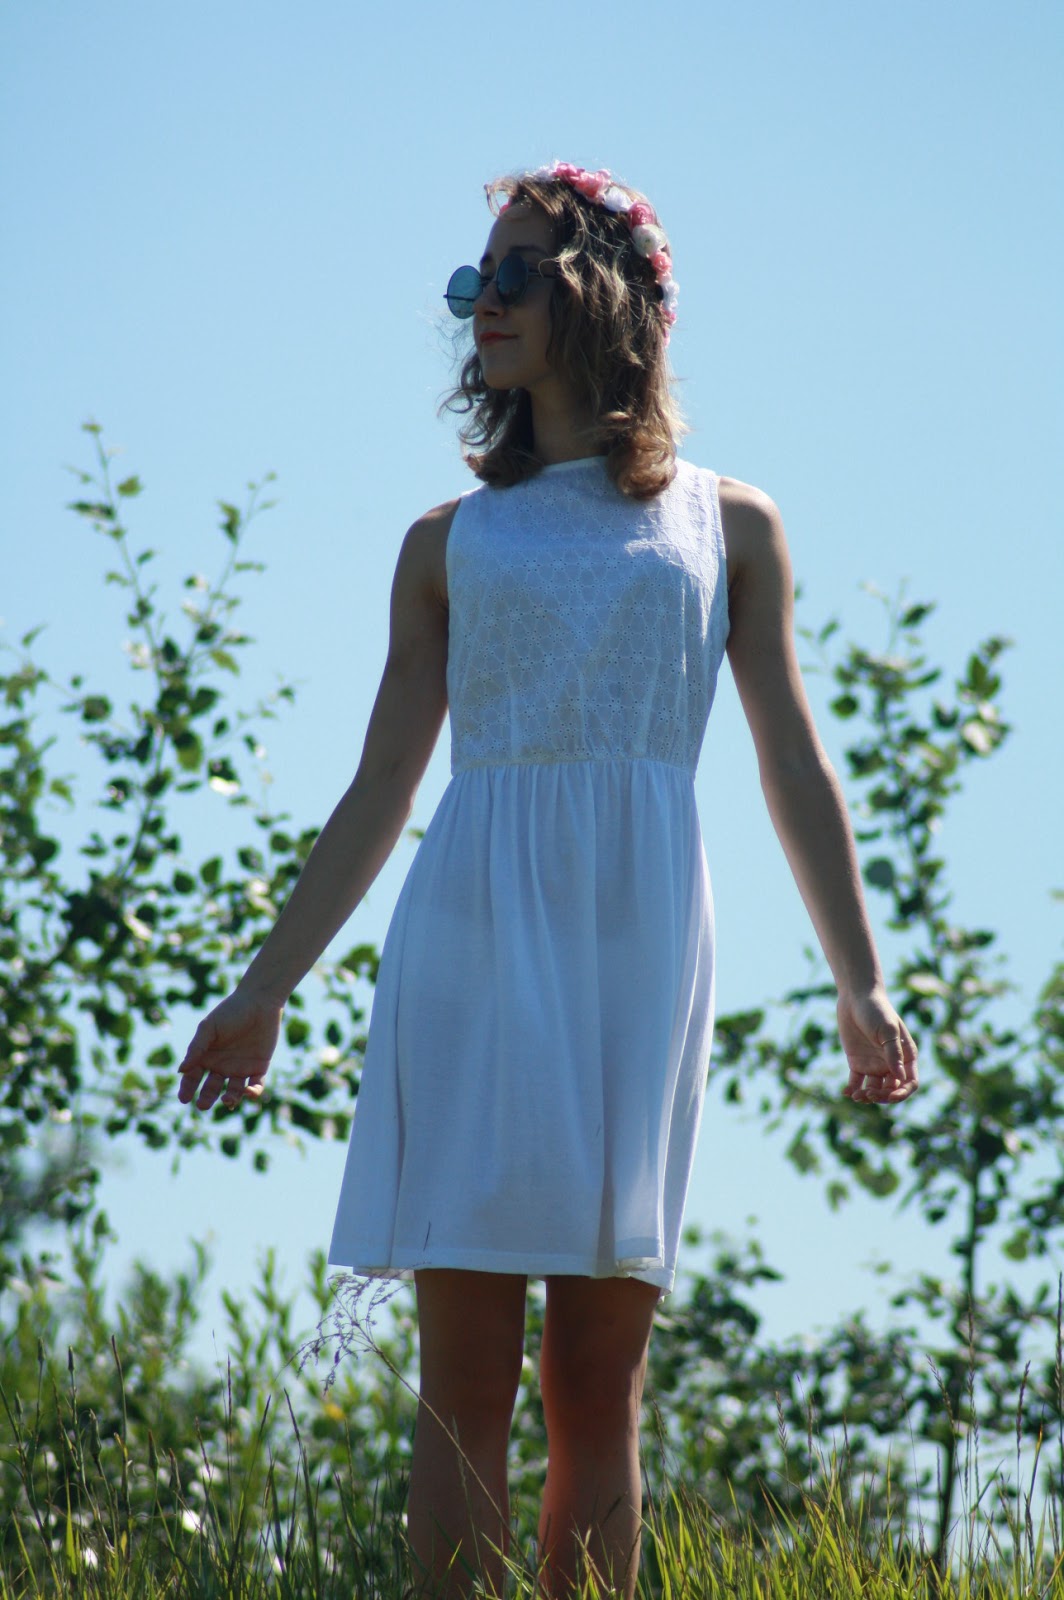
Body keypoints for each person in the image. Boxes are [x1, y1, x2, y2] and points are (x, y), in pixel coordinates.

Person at [178, 160, 919, 1600]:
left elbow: (789, 757)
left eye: (515, 272)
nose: (484, 303)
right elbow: (381, 786)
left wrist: (861, 981)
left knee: (597, 1383)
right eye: (474, 280)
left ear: (607, 296)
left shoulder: (729, 524)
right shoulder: (447, 544)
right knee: (465, 1383)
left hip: (638, 950)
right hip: (471, 940)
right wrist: (265, 990)